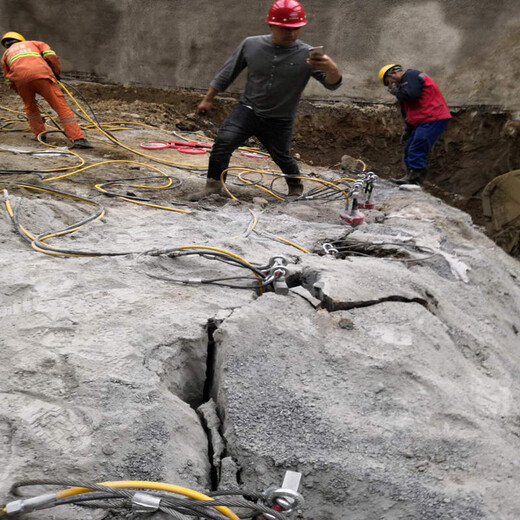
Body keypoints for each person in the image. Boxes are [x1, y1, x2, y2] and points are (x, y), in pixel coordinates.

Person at [189, 0, 342, 201]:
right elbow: (227, 73)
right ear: (270, 25)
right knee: (223, 142)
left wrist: (332, 69)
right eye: (285, 29)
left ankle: (295, 186)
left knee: (282, 156)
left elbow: (332, 84)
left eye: (297, 29)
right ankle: (213, 186)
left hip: (280, 118)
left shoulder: (308, 55)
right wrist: (207, 99)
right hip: (247, 110)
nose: (292, 34)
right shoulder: (251, 45)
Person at [1, 31, 93, 148]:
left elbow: (8, 78)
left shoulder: (6, 55)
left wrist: (20, 91)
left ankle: (40, 135)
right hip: (42, 75)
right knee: (61, 107)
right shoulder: (35, 43)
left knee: (31, 107)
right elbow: (51, 57)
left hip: (20, 81)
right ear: (21, 39)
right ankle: (77, 139)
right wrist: (56, 73)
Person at [379, 63, 451, 186]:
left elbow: (412, 95)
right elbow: (408, 111)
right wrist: (409, 129)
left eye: (390, 82)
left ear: (394, 73)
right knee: (409, 149)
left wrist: (398, 93)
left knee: (417, 147)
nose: (392, 86)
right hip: (424, 120)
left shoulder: (410, 75)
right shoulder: (406, 86)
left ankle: (415, 179)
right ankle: (410, 176)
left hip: (433, 117)